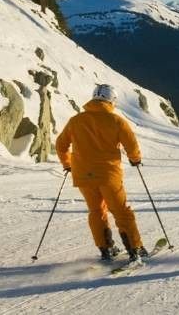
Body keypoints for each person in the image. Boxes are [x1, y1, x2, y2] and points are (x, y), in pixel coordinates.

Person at [55, 84, 148, 261]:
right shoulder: (116, 121)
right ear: (112, 100)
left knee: (96, 211)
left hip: (83, 176)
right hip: (108, 175)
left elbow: (60, 145)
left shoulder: (76, 121)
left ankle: (105, 249)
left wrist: (67, 164)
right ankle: (135, 249)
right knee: (121, 212)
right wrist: (135, 159)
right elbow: (132, 145)